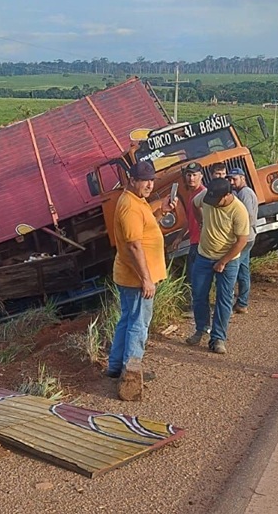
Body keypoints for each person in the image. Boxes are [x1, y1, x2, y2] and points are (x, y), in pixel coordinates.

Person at [107, 160, 177, 400]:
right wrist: (146, 279)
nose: (149, 184)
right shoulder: (129, 205)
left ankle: (116, 366)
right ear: (132, 180)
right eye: (144, 180)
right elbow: (135, 246)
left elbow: (144, 231)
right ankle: (131, 373)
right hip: (136, 278)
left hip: (132, 276)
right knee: (139, 324)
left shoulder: (138, 202)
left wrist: (161, 211)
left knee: (127, 321)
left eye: (151, 180)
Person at [185, 178, 250, 354]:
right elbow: (193, 203)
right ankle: (201, 328)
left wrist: (223, 261)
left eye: (217, 201)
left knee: (224, 298)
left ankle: (218, 338)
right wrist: (201, 222)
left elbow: (242, 240)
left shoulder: (239, 211)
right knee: (198, 294)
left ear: (228, 195)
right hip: (204, 255)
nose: (212, 204)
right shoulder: (207, 196)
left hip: (228, 260)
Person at [228, 168, 257, 315]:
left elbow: (248, 216)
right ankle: (242, 303)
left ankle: (230, 302)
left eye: (235, 179)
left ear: (243, 178)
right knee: (243, 270)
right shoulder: (238, 193)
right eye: (231, 179)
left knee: (233, 269)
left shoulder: (245, 193)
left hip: (244, 238)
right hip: (247, 236)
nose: (232, 182)